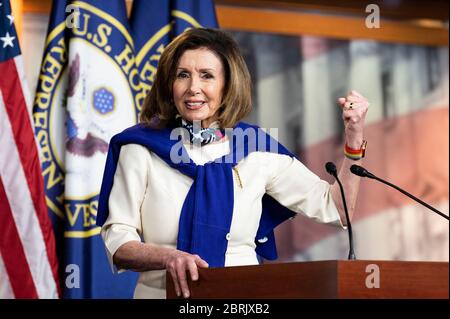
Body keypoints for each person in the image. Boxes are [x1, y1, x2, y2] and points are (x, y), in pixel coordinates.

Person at [97, 28, 369, 299]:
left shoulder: (256, 149)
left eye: (207, 76)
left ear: (227, 86)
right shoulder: (140, 148)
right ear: (170, 85)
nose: (194, 88)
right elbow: (118, 238)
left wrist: (354, 140)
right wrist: (167, 257)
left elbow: (336, 208)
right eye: (183, 75)